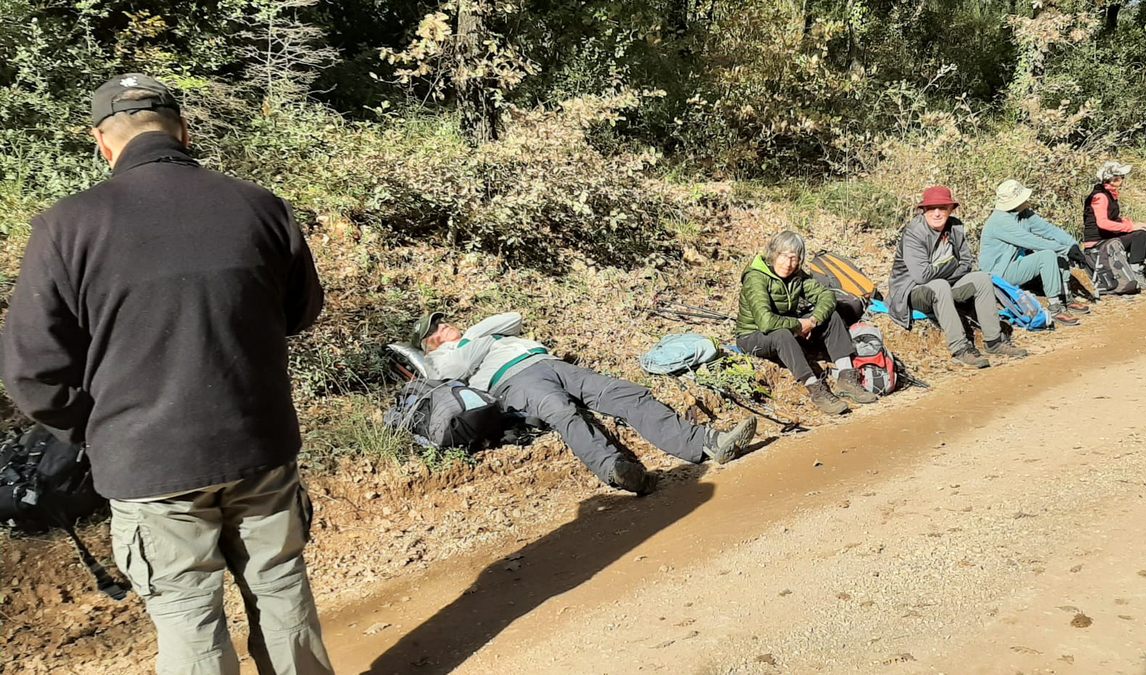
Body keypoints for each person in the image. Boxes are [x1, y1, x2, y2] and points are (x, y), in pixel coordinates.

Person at [0, 74, 334, 674]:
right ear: (183, 131)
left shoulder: (67, 227)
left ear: (103, 142)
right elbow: (301, 310)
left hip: (149, 463)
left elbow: (31, 370)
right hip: (259, 443)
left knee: (187, 613)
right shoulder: (259, 205)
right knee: (282, 591)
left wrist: (95, 429)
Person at [417, 311, 757, 495]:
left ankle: (708, 443)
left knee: (627, 394)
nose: (444, 324)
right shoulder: (441, 359)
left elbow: (514, 316)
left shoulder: (479, 337)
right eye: (437, 328)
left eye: (443, 320)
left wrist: (474, 336)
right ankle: (617, 471)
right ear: (430, 344)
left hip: (554, 366)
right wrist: (475, 341)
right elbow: (457, 367)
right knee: (564, 413)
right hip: (515, 381)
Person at [735, 230, 877, 414]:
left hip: (789, 327)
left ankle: (847, 378)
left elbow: (826, 296)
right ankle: (816, 389)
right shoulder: (756, 277)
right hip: (753, 336)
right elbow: (765, 322)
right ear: (773, 254)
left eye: (793, 258)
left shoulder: (797, 275)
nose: (788, 264)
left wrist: (812, 320)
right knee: (782, 335)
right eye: (783, 256)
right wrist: (798, 325)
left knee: (831, 316)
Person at [886, 186, 1030, 367]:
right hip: (912, 291)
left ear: (950, 209)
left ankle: (994, 341)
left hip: (946, 284)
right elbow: (922, 276)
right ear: (923, 210)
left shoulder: (955, 227)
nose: (937, 213)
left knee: (982, 279)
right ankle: (960, 348)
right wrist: (952, 263)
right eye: (931, 208)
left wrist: (949, 268)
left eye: (942, 208)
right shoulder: (915, 233)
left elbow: (967, 263)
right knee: (939, 286)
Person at [979, 179, 1090, 326]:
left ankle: (1066, 296)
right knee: (1048, 254)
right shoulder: (1000, 221)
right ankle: (1055, 307)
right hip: (999, 274)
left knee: (1059, 252)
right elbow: (1030, 241)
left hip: (1015, 264)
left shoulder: (1023, 214)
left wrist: (1072, 246)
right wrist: (1066, 249)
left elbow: (1048, 229)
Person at [1081, 161, 1146, 288]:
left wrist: (1136, 223)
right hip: (1097, 243)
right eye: (1121, 177)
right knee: (1139, 234)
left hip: (1107, 238)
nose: (1123, 180)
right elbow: (1103, 223)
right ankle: (1135, 270)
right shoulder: (1100, 196)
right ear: (1112, 179)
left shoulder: (1108, 194)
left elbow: (1114, 219)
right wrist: (1131, 227)